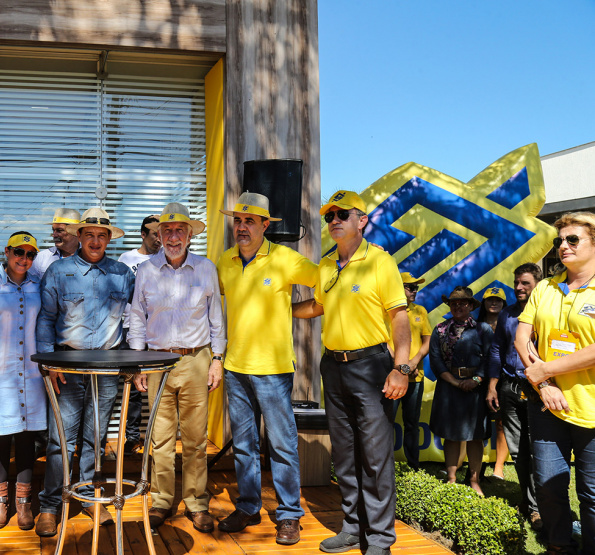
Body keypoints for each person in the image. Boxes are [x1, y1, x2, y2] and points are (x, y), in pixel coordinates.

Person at [292, 190, 410, 555]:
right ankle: (352, 526)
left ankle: (379, 540)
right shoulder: (327, 266)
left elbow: (399, 318)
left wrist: (401, 368)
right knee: (344, 454)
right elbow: (317, 306)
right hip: (334, 366)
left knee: (375, 457)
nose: (335, 221)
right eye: (329, 216)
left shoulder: (380, 262)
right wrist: (280, 306)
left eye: (343, 214)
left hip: (372, 365)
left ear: (362, 221)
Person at [216, 192, 317, 546]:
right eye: (238, 220)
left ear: (265, 225)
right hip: (235, 367)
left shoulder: (285, 259)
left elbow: (327, 285)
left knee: (282, 445)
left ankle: (289, 515)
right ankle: (248, 506)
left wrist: (295, 311)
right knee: (243, 445)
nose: (242, 227)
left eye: (250, 221)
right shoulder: (225, 261)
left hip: (273, 370)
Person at [34, 206, 135, 537]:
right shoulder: (59, 271)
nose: (95, 241)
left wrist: (133, 363)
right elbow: (46, 319)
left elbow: (137, 318)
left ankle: (92, 500)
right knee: (58, 441)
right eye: (89, 235)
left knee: (96, 438)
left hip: (107, 369)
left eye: (101, 236)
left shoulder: (123, 273)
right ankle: (50, 506)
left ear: (109, 239)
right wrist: (48, 364)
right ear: (79, 237)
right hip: (66, 366)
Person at [129, 203, 224, 533]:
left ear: (188, 234)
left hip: (196, 359)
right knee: (160, 439)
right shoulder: (145, 270)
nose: (172, 236)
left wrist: (217, 360)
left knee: (197, 440)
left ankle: (197, 502)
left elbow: (216, 319)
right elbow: (137, 317)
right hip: (157, 361)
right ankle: (161, 501)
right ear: (158, 235)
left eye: (179, 230)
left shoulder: (205, 268)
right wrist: (139, 362)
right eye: (166, 231)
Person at [515, 212, 595, 555]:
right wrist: (544, 384)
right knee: (548, 486)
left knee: (592, 493)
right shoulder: (546, 286)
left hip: (591, 408)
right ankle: (559, 545)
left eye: (572, 239)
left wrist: (545, 369)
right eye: (559, 240)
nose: (563, 246)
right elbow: (522, 337)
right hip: (546, 403)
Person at [0, 232, 44, 530]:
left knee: (27, 435)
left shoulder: (38, 285)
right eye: (18, 252)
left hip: (32, 373)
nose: (23, 259)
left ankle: (24, 502)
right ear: (6, 251)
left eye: (30, 254)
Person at [486, 263, 543, 530]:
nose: (519, 288)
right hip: (509, 387)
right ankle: (530, 502)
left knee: (538, 449)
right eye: (517, 283)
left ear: (537, 284)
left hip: (538, 389)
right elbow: (497, 350)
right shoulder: (508, 314)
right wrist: (492, 385)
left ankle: (540, 505)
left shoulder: (546, 312)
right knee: (518, 449)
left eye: (525, 284)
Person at [428, 286, 492, 497]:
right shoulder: (439, 330)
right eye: (454, 303)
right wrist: (455, 383)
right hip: (449, 388)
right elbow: (436, 361)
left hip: (477, 388)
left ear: (471, 306)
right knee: (452, 435)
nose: (458, 306)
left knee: (475, 435)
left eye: (463, 303)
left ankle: (474, 479)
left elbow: (491, 357)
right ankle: (452, 478)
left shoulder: (483, 329)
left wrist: (476, 379)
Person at [118, 214, 161, 453]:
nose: (159, 239)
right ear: (142, 234)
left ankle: (158, 438)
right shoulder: (126, 259)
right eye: (154, 234)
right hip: (130, 329)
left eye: (161, 233)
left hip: (157, 331)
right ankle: (132, 438)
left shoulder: (166, 259)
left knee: (159, 386)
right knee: (132, 388)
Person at [392, 272, 431, 471]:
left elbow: (427, 341)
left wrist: (414, 363)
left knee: (412, 424)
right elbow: (383, 341)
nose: (415, 291)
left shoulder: (420, 311)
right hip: (392, 377)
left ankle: (413, 467)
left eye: (416, 287)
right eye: (410, 287)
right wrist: (402, 367)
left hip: (416, 377)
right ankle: (384, 466)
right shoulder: (386, 310)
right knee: (385, 422)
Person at [478, 286, 509, 481]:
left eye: (498, 300)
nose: (494, 303)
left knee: (501, 423)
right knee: (477, 423)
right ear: (484, 303)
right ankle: (477, 465)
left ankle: (498, 468)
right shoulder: (475, 325)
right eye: (490, 299)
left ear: (504, 304)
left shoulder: (510, 323)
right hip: (479, 379)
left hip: (502, 379)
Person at [31, 208, 81, 279]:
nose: (54, 235)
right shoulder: (40, 259)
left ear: (76, 232)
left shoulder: (90, 257)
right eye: (53, 230)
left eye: (59, 230)